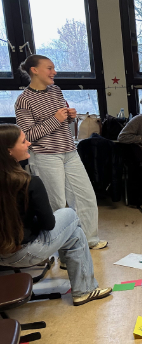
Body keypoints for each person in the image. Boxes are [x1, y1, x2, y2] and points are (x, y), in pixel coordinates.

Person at [0, 124, 112, 306]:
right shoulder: (31, 182)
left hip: (2, 253)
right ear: (9, 151)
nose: (29, 143)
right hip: (24, 252)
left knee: (75, 234)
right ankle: (84, 289)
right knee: (69, 214)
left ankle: (84, 290)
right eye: (23, 141)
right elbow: (49, 224)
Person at [14, 55, 107, 250]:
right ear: (34, 70)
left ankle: (89, 240)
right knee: (56, 203)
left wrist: (70, 117)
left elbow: (62, 123)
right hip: (46, 156)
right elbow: (28, 135)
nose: (54, 72)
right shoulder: (24, 100)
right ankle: (63, 249)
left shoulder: (56, 90)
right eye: (49, 68)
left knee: (85, 197)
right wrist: (56, 119)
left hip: (69, 152)